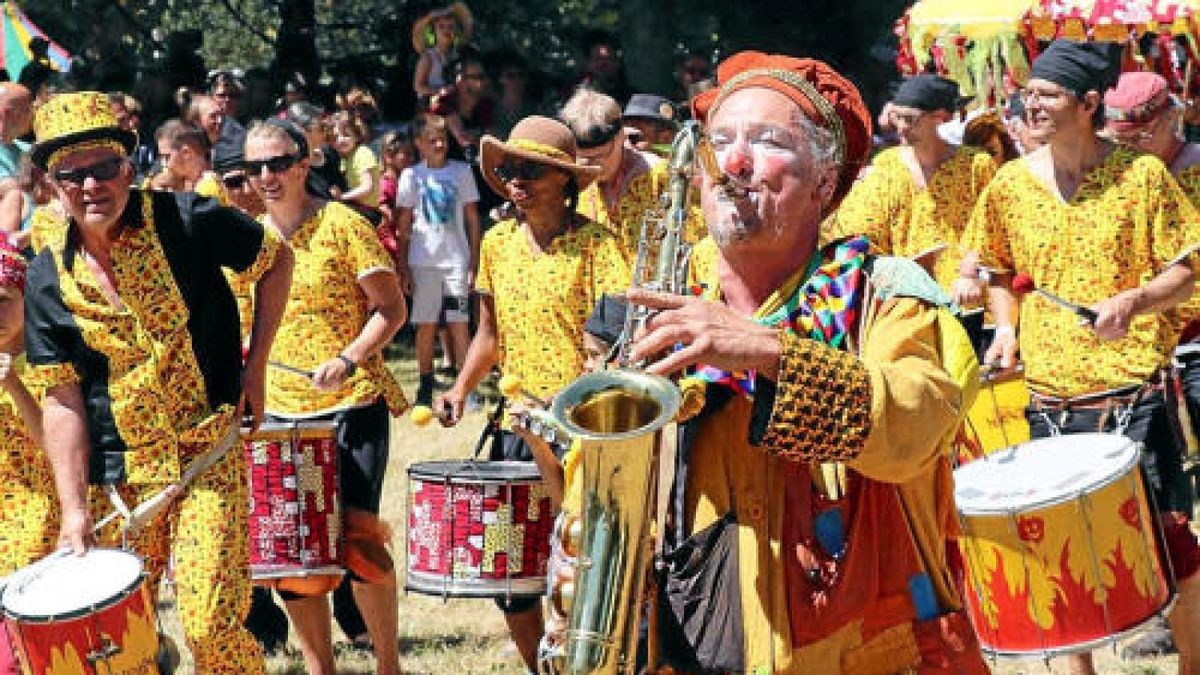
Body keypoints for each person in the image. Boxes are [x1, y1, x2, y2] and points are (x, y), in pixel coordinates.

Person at [622, 50, 989, 672]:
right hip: (688, 630)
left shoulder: (885, 291)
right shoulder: (662, 295)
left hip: (858, 646)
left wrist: (768, 351)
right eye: (720, 142)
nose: (732, 164)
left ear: (825, 182)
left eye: (767, 142)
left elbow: (917, 428)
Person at [25, 90, 294, 674]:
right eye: (73, 175)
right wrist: (74, 511)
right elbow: (62, 397)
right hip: (123, 483)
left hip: (208, 454)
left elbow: (275, 260)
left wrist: (256, 368)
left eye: (105, 168)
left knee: (208, 621)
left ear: (129, 167)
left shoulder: (186, 220)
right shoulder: (47, 278)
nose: (92, 186)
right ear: (50, 185)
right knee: (123, 641)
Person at [959, 40, 1200, 675]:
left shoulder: (1142, 176)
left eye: (1048, 94)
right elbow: (996, 267)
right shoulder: (1009, 183)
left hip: (1135, 395)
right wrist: (1006, 328)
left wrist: (1136, 299)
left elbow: (1187, 271)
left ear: (1090, 104)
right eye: (1029, 92)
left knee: (1172, 549)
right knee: (1057, 560)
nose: (1030, 103)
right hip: (1050, 399)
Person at [434, 115, 629, 673]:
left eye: (531, 170)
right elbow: (489, 335)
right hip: (515, 425)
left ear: (565, 180)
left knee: (580, 570)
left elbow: (609, 342)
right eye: (509, 169)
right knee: (511, 577)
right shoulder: (497, 243)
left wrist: (566, 405)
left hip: (579, 431)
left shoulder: (596, 244)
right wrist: (460, 389)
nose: (516, 180)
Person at [245, 118, 407, 675]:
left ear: (303, 162)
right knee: (292, 552)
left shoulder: (341, 223)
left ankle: (388, 664)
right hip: (279, 413)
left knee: (359, 541)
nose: (266, 176)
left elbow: (392, 309)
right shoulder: (252, 238)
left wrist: (348, 358)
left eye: (277, 163)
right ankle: (322, 668)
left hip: (351, 403)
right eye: (254, 167)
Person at [1099, 69, 1200, 662]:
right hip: (1145, 346)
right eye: (1121, 136)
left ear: (1170, 120)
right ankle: (1176, 611)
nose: (1127, 145)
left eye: (1138, 135)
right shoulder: (1119, 177)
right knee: (1169, 490)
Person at [826, 74, 997, 305]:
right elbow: (861, 232)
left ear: (941, 118)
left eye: (911, 119)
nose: (902, 127)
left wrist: (971, 271)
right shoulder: (886, 165)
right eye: (897, 118)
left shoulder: (977, 165)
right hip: (907, 301)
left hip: (967, 296)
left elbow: (993, 226)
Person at [560, 88, 704, 264]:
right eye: (584, 158)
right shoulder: (572, 182)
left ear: (621, 136)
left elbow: (698, 245)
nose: (593, 166)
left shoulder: (664, 177)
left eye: (601, 156)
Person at [395, 113, 480, 407]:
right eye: (432, 140)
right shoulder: (411, 176)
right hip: (423, 263)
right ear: (419, 143)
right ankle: (425, 383)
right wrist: (402, 265)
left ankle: (466, 386)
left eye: (443, 139)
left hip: (455, 261)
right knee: (426, 323)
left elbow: (472, 219)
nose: (440, 144)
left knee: (459, 321)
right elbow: (403, 225)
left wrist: (473, 263)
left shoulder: (461, 172)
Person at [411, 2, 473, 101]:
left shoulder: (458, 55)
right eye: (441, 27)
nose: (446, 30)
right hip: (431, 103)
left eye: (451, 27)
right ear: (434, 31)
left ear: (457, 31)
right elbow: (418, 86)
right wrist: (439, 91)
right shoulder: (429, 57)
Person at [331, 110, 381, 210]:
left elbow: (367, 187)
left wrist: (342, 197)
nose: (340, 140)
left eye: (346, 135)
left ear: (357, 136)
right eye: (336, 137)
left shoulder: (362, 153)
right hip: (357, 206)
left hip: (369, 209)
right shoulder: (345, 157)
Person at [151, 119, 214, 192]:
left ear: (186, 153)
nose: (164, 164)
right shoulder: (190, 184)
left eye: (167, 157)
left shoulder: (207, 186)